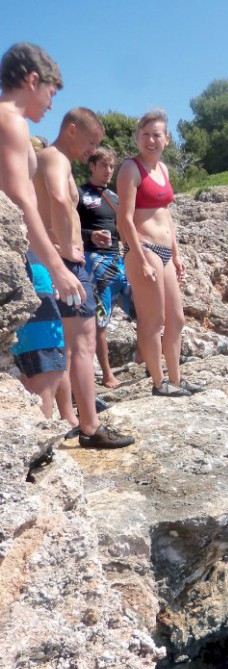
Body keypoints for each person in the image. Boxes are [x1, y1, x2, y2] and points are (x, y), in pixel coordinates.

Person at [34, 107, 134, 448]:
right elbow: (60, 201)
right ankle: (91, 427)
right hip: (67, 262)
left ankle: (73, 418)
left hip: (63, 258)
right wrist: (67, 249)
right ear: (72, 130)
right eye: (92, 142)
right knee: (83, 344)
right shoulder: (55, 157)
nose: (93, 150)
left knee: (68, 345)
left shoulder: (50, 158)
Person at [0, 42, 85, 419]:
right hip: (17, 265)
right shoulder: (11, 120)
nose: (51, 105)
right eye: (51, 93)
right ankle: (35, 469)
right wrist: (56, 266)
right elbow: (20, 200)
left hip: (21, 257)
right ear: (33, 81)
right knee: (46, 370)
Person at [117, 109, 201, 397]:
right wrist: (139, 258)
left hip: (165, 251)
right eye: (145, 135)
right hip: (143, 249)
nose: (151, 140)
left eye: (157, 135)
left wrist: (176, 255)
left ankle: (176, 379)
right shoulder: (130, 168)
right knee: (153, 321)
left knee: (176, 319)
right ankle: (158, 382)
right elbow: (124, 220)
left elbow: (166, 214)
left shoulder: (163, 170)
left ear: (166, 139)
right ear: (138, 138)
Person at [78, 146, 135, 388]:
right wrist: (89, 235)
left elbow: (126, 228)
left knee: (143, 310)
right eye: (104, 165)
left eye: (112, 166)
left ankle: (144, 360)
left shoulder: (114, 196)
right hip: (96, 263)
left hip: (120, 261)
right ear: (92, 166)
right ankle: (108, 374)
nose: (109, 170)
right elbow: (64, 227)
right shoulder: (79, 193)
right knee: (101, 320)